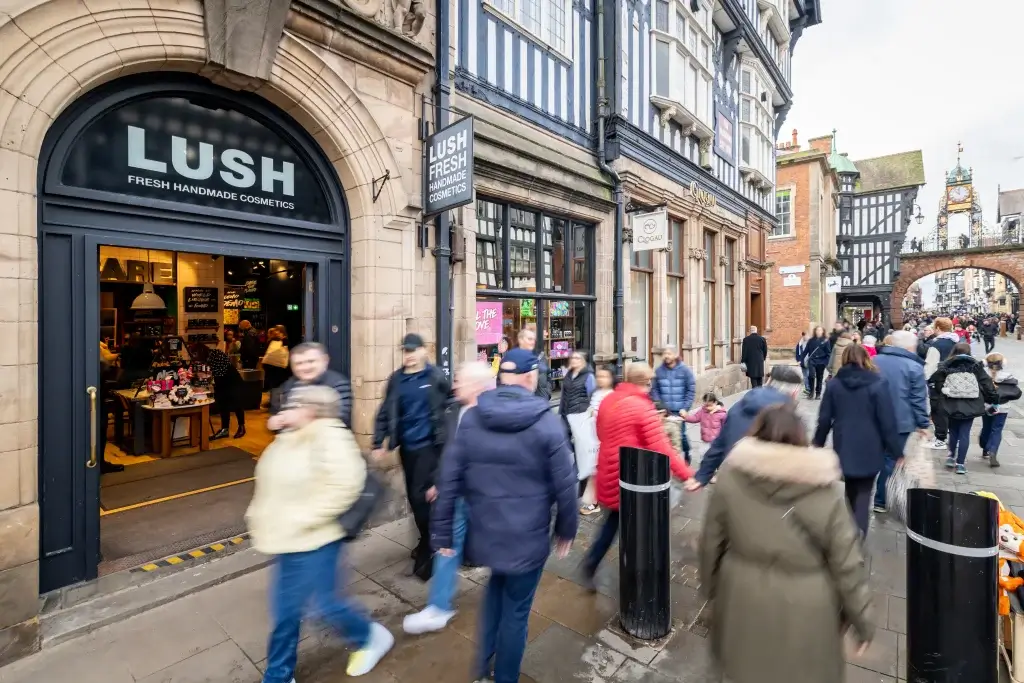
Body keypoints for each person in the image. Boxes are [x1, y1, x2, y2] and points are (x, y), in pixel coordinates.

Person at [431, 348, 577, 683]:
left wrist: (441, 534)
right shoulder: (547, 422)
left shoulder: (473, 418)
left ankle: (482, 669)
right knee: (516, 612)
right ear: (529, 378)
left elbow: (449, 478)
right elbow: (566, 484)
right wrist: (566, 529)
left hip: (487, 533)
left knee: (496, 592)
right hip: (527, 539)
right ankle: (505, 677)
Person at [699, 404, 874, 683]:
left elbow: (711, 541)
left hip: (741, 595)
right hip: (807, 608)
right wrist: (862, 622)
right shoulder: (826, 490)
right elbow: (848, 565)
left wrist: (710, 590)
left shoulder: (731, 478)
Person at [246, 385, 394, 681]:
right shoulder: (291, 437)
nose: (288, 407)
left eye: (296, 403)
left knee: (325, 605)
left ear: (313, 409)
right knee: (286, 611)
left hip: (319, 538)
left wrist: (302, 518)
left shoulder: (331, 436)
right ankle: (278, 675)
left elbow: (344, 488)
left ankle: (370, 637)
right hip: (288, 540)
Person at [403, 361, 494, 635]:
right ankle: (439, 607)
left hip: (486, 499)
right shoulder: (455, 410)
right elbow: (451, 454)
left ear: (477, 386)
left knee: (497, 549)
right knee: (447, 547)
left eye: (461, 381)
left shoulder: (494, 415)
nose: (455, 385)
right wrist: (439, 484)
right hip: (458, 496)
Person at [583, 363, 693, 589]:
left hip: (607, 469)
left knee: (613, 522)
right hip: (630, 476)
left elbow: (600, 432)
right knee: (638, 527)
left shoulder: (608, 400)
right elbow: (662, 447)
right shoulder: (643, 408)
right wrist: (686, 474)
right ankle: (637, 579)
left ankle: (592, 563)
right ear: (647, 382)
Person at [371, 333, 451, 579]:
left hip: (430, 447)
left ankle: (430, 547)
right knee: (417, 500)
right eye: (405, 351)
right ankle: (428, 540)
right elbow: (385, 410)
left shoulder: (436, 377)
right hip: (407, 448)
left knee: (423, 498)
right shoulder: (396, 379)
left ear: (424, 351)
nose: (409, 355)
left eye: (413, 350)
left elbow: (450, 403)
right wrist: (379, 441)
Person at [813, 344, 901, 536]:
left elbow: (824, 419)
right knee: (864, 492)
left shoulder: (834, 384)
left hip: (844, 444)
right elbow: (887, 420)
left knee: (849, 490)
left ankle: (848, 528)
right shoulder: (878, 382)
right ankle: (858, 533)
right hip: (871, 445)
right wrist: (896, 450)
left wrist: (817, 444)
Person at [686, 365, 805, 491]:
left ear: (768, 381)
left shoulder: (740, 405)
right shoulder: (791, 419)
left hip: (734, 481)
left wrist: (702, 476)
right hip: (768, 489)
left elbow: (720, 443)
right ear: (794, 392)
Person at [869, 331, 930, 514]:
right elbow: (918, 398)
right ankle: (881, 500)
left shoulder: (874, 361)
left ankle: (860, 494)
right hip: (900, 421)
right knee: (890, 460)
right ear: (909, 346)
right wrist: (923, 423)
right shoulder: (914, 366)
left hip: (872, 417)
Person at [931, 342, 999, 474]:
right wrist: (993, 400)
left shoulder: (947, 364)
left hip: (950, 403)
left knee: (953, 431)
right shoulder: (975, 366)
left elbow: (935, 381)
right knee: (964, 434)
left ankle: (951, 457)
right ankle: (960, 464)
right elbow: (987, 384)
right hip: (971, 404)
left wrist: (942, 391)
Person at [272, 342, 354, 427]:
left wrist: (300, 418)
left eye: (311, 361)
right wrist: (277, 421)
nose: (306, 367)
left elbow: (341, 418)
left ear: (325, 360)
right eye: (299, 363)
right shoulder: (289, 384)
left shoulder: (338, 384)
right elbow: (279, 413)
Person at [924, 317, 967, 450]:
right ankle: (952, 436)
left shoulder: (937, 344)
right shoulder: (958, 341)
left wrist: (925, 378)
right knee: (952, 409)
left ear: (937, 328)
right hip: (956, 380)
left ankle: (940, 439)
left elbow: (930, 366)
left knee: (938, 410)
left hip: (939, 381)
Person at [650, 345, 696, 464]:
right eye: (664, 353)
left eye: (669, 353)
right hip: (664, 411)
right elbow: (654, 390)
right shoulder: (658, 371)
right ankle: (669, 461)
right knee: (665, 436)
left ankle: (687, 452)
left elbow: (690, 390)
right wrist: (660, 406)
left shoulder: (685, 370)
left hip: (679, 410)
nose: (666, 356)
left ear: (675, 355)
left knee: (681, 435)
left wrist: (685, 408)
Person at [579, 365, 616, 514]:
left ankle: (592, 502)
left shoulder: (611, 395)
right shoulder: (595, 393)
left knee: (595, 470)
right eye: (599, 376)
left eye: (604, 376)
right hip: (592, 436)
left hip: (603, 438)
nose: (600, 379)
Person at [559, 350, 596, 491]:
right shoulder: (568, 375)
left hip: (580, 417)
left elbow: (592, 397)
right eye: (572, 357)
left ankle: (576, 480)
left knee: (580, 450)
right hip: (567, 417)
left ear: (583, 361)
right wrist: (562, 412)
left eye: (577, 358)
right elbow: (563, 395)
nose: (573, 360)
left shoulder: (589, 377)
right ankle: (577, 474)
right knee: (570, 447)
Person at [982, 353, 1021, 468]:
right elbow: (1016, 392)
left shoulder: (984, 376)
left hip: (987, 406)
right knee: (997, 430)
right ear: (1003, 363)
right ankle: (993, 451)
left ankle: (985, 448)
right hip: (1002, 407)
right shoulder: (1008, 376)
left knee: (986, 427)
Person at [208, 348, 246, 439]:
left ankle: (241, 427)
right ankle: (225, 429)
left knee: (237, 404)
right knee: (223, 405)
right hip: (224, 382)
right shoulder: (213, 355)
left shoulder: (215, 355)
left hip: (232, 382)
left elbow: (219, 371)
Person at [683, 392, 727, 461]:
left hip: (715, 441)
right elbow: (695, 418)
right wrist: (685, 417)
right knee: (702, 456)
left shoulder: (722, 414)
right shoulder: (702, 411)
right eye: (706, 405)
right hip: (705, 440)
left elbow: (725, 427)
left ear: (715, 402)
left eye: (710, 405)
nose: (708, 408)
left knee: (714, 458)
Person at [516, 327, 551, 400]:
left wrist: (547, 393)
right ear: (521, 340)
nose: (532, 342)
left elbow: (548, 374)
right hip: (524, 403)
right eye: (529, 339)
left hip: (542, 400)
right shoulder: (514, 357)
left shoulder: (541, 355)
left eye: (533, 339)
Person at [261, 326, 291, 393]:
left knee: (278, 385)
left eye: (278, 331)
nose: (276, 332)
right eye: (276, 330)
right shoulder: (274, 340)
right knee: (274, 386)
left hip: (280, 368)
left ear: (282, 332)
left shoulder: (284, 341)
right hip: (274, 368)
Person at [804, 326, 830, 399]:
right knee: (811, 376)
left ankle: (818, 393)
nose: (818, 331)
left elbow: (828, 353)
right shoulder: (811, 340)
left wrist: (825, 362)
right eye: (817, 330)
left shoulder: (826, 341)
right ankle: (811, 392)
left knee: (819, 377)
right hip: (812, 360)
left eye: (820, 330)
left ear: (823, 331)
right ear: (815, 331)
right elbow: (806, 351)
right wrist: (800, 359)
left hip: (821, 361)